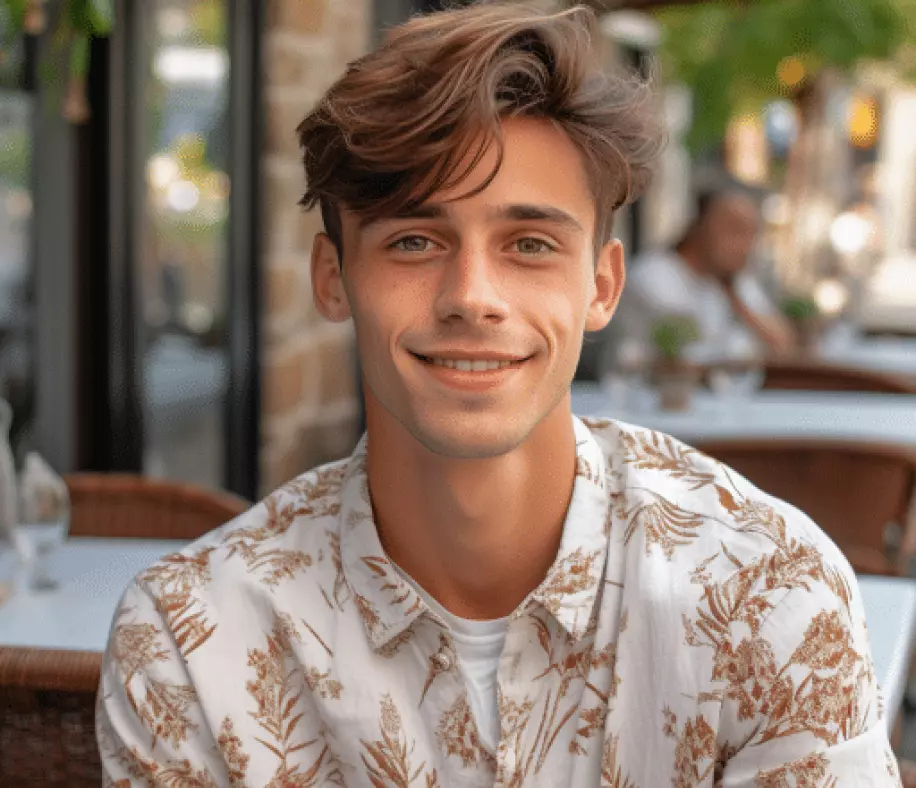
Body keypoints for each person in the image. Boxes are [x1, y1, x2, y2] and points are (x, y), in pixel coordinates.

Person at [96, 3, 901, 785]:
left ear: (602, 286)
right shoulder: (189, 641)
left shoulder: (770, 593)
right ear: (333, 279)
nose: (472, 295)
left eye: (529, 244)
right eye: (414, 240)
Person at [610, 187, 796, 368]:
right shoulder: (653, 275)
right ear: (698, 225)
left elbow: (783, 344)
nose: (745, 246)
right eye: (735, 230)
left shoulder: (734, 282)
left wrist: (735, 297)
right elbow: (686, 359)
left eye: (751, 235)